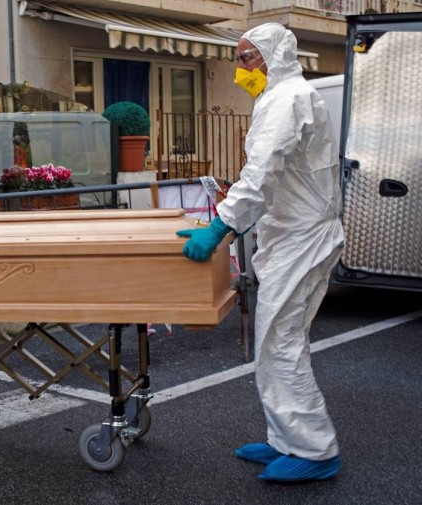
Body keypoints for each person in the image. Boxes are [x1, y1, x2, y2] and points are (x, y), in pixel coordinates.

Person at [176, 23, 343, 482]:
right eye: (239, 59)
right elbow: (279, 179)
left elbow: (262, 173)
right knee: (279, 343)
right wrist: (231, 214)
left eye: (247, 58)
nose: (240, 70)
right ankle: (286, 440)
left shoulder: (288, 99)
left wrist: (221, 226)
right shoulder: (283, 97)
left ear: (274, 56)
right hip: (294, 236)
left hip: (302, 241)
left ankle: (315, 450)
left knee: (280, 343)